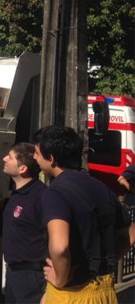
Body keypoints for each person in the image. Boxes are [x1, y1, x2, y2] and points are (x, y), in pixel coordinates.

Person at [33, 125, 133, 304]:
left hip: (71, 294)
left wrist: (60, 280)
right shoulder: (102, 188)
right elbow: (130, 234)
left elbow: (60, 247)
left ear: (52, 159)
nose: (34, 158)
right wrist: (103, 262)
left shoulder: (55, 193)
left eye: (37, 153)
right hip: (105, 292)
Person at [1, 142, 47, 303]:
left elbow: (54, 238)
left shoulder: (41, 197)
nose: (4, 159)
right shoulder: (17, 193)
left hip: (32, 276)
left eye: (10, 157)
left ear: (23, 169)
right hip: (14, 273)